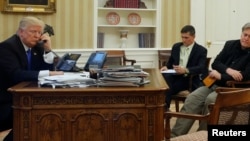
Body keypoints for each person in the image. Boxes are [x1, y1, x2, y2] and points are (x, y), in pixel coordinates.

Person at [171, 22, 250, 137]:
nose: (246, 38)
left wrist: (221, 75)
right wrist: (229, 70)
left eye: (249, 36)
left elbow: (245, 75)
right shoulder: (230, 44)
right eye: (245, 34)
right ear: (241, 34)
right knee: (192, 98)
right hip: (214, 84)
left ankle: (202, 136)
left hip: (235, 90)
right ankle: (174, 137)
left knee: (210, 101)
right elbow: (216, 63)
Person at [0, 16, 64, 141]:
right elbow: (16, 74)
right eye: (33, 31)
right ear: (20, 32)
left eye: (39, 32)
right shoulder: (7, 47)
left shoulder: (36, 48)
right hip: (6, 102)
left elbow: (43, 68)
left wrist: (48, 50)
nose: (37, 36)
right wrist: (48, 74)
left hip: (24, 98)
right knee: (36, 116)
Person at [160, 25, 207, 109]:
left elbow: (201, 67)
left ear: (193, 36)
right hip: (175, 76)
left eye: (186, 37)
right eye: (182, 37)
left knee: (165, 89)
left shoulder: (201, 50)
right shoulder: (176, 47)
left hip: (189, 79)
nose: (183, 40)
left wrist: (186, 70)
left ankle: (164, 107)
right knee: (165, 76)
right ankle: (165, 107)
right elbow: (171, 62)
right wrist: (166, 67)